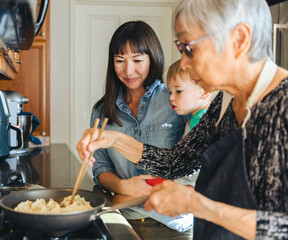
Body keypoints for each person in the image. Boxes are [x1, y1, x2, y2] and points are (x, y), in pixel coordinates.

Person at [76, 0, 288, 239]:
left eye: (190, 48)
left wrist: (196, 204)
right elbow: (175, 162)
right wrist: (112, 138)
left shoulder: (283, 106)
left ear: (239, 39)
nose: (184, 63)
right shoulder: (224, 102)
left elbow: (282, 226)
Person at [90, 21, 193, 239]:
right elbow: (100, 168)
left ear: (152, 58)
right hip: (122, 219)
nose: (129, 71)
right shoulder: (102, 111)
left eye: (137, 60)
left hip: (172, 224)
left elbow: (203, 145)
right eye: (120, 61)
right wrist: (122, 185)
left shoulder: (174, 98)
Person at [166, 59, 215, 187]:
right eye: (170, 91)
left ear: (204, 92)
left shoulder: (200, 122)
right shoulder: (200, 117)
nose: (171, 97)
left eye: (178, 91)